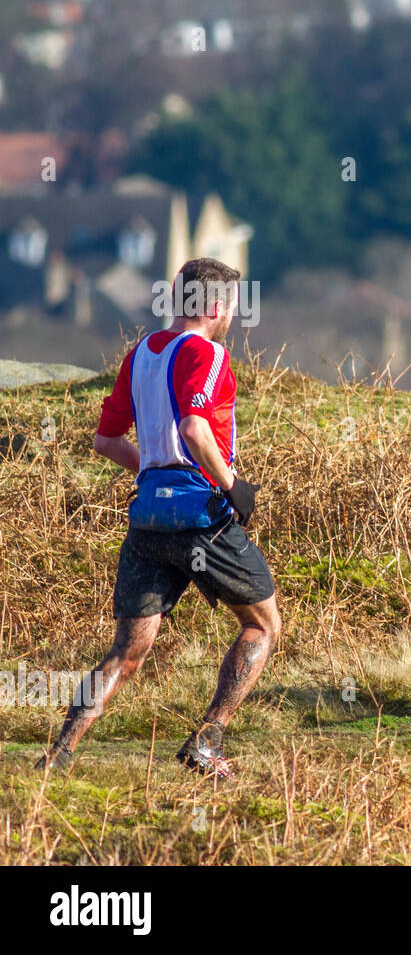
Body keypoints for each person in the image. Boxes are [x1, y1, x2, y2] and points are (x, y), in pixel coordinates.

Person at [38, 257, 280, 780]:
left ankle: (58, 755)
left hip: (148, 519)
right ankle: (207, 742)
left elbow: (106, 442)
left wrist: (154, 472)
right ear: (216, 306)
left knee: (126, 652)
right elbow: (195, 428)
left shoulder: (139, 357)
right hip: (201, 514)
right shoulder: (209, 353)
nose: (233, 317)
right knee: (262, 624)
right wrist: (232, 485)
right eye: (233, 307)